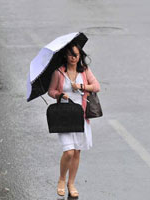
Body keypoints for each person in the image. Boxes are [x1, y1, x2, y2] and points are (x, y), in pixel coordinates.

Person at [48, 41, 100, 198]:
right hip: (64, 116)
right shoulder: (58, 72)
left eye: (76, 55)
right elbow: (51, 91)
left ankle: (72, 183)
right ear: (66, 55)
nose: (73, 57)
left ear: (80, 56)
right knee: (69, 152)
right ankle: (61, 179)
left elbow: (96, 86)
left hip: (80, 116)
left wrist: (82, 86)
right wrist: (59, 94)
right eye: (70, 54)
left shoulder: (84, 71)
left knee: (77, 152)